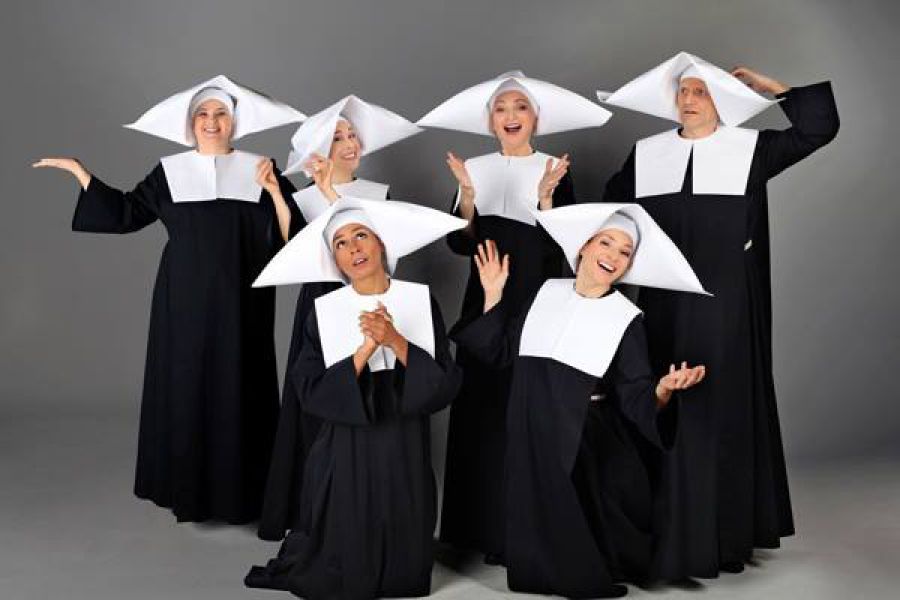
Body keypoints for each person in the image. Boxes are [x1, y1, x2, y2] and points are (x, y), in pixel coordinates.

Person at [600, 52, 840, 576]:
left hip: (728, 305)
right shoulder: (647, 154)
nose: (689, 100)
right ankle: (667, 531)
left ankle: (724, 537)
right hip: (663, 303)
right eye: (683, 91)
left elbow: (819, 128)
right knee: (662, 402)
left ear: (722, 101)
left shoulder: (750, 148)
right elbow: (610, 214)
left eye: (701, 91)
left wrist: (773, 88)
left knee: (718, 408)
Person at [32, 75, 305, 524]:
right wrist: (82, 174)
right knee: (187, 385)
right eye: (203, 114)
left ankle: (244, 494)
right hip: (182, 302)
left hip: (243, 301)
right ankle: (189, 492)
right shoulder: (169, 172)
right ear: (190, 123)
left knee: (241, 386)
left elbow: (292, 235)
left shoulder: (261, 168)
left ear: (235, 122)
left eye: (221, 113)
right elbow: (126, 214)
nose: (212, 122)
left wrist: (275, 191)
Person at [453, 203, 707, 597]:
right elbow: (500, 352)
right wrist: (493, 295)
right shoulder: (546, 292)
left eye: (625, 252)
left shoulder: (626, 318)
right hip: (531, 426)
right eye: (606, 243)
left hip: (584, 434)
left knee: (593, 521)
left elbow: (635, 394)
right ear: (584, 246)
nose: (614, 256)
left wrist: (664, 389)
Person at [418, 70, 612, 562]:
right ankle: (471, 529)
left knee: (522, 407)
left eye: (520, 107)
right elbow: (460, 244)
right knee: (479, 405)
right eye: (501, 108)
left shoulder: (554, 169)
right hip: (484, 297)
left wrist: (546, 197)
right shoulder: (474, 168)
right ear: (490, 121)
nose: (510, 116)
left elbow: (568, 250)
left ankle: (517, 530)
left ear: (535, 119)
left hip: (533, 300)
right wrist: (467, 196)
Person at [245, 197, 464, 599]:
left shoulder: (419, 300)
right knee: (348, 533)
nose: (353, 249)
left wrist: (396, 340)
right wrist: (364, 350)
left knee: (404, 508)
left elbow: (444, 381)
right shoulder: (323, 311)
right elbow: (309, 388)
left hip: (403, 433)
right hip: (347, 439)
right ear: (336, 261)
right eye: (341, 244)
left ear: (381, 244)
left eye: (361, 235)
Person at [258, 96, 421, 541]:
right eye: (337, 138)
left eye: (352, 135)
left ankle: (360, 500)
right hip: (320, 302)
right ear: (319, 149)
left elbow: (383, 256)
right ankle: (310, 507)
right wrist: (277, 195)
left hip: (367, 300)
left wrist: (331, 193)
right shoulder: (302, 197)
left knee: (364, 394)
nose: (350, 144)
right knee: (316, 398)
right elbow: (290, 250)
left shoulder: (378, 195)